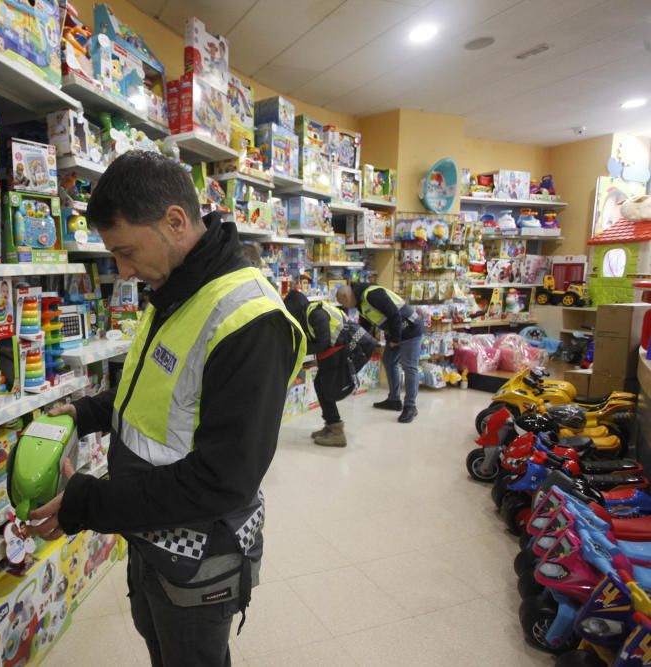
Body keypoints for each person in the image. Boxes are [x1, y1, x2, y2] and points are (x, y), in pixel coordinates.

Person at [25, 151, 304, 667]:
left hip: (201, 557)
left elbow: (224, 479)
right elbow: (150, 395)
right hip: (151, 535)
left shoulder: (250, 321)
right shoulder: (176, 291)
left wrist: (87, 504)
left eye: (127, 251)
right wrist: (84, 414)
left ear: (175, 221)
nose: (123, 271)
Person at [283, 291, 378, 447]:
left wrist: (297, 351)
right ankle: (331, 426)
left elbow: (323, 343)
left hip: (348, 349)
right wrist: (315, 361)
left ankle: (337, 433)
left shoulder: (316, 315)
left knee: (326, 388)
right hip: (338, 351)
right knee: (320, 385)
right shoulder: (310, 313)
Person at [336, 282, 423, 423]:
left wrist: (395, 338)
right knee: (389, 361)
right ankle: (394, 400)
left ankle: (410, 406)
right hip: (396, 332)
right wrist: (362, 342)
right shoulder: (361, 303)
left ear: (346, 296)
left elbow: (394, 313)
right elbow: (366, 326)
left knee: (409, 366)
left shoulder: (372, 294)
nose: (347, 307)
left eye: (344, 304)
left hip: (411, 329)